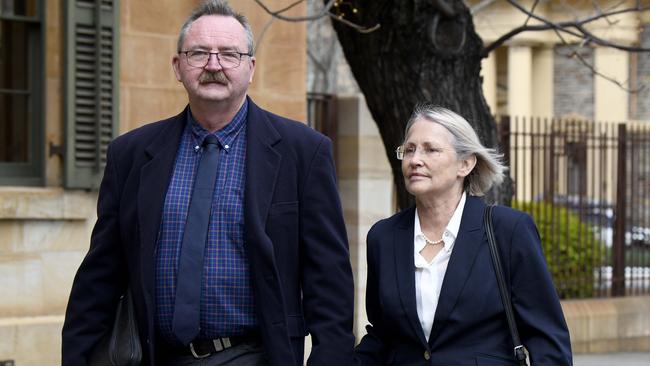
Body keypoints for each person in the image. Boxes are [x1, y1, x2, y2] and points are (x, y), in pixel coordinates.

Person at [62, 1, 355, 365]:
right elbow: (100, 276)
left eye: (229, 54)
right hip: (156, 356)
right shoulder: (132, 155)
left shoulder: (303, 152)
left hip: (255, 356)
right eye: (198, 53)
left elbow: (329, 281)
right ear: (177, 66)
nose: (213, 65)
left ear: (251, 68)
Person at [354, 105, 572, 365]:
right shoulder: (384, 237)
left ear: (466, 164)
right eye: (409, 149)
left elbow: (547, 341)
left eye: (430, 149)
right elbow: (383, 335)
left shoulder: (509, 231)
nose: (414, 160)